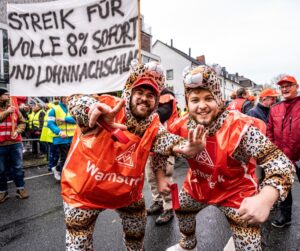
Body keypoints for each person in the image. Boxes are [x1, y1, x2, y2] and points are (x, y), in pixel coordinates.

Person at [61, 61, 206, 251]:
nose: (144, 98)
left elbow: (164, 140)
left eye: (150, 95)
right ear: (129, 93)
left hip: (127, 192)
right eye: (140, 93)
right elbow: (75, 100)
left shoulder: (153, 124)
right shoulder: (109, 106)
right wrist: (91, 110)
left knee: (138, 233)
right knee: (78, 244)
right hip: (82, 194)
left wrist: (185, 147)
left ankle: (158, 220)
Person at [156, 65, 294, 251]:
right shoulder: (182, 124)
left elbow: (281, 163)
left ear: (219, 99)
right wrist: (165, 169)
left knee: (249, 247)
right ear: (187, 103)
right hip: (198, 187)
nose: (201, 105)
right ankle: (187, 245)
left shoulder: (240, 127)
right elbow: (156, 140)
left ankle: (239, 242)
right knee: (182, 209)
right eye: (195, 99)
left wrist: (265, 198)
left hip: (236, 194)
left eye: (208, 98)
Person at [267, 75, 300, 228]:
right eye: (282, 87)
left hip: (299, 156)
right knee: (284, 189)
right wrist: (274, 153)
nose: (285, 89)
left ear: (296, 87)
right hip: (281, 157)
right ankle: (285, 216)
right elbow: (270, 133)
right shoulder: (275, 108)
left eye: (289, 85)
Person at [146, 88, 179, 225]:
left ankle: (170, 207)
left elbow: (162, 114)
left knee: (165, 179)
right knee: (151, 177)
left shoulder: (167, 96)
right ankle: (158, 202)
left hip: (164, 146)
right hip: (150, 147)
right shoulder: (151, 95)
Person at [0, 87, 29, 203]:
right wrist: (7, 112)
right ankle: (3, 191)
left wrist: (17, 131)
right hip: (1, 145)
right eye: (6, 94)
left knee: (18, 168)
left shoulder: (15, 108)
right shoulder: (9, 110)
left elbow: (22, 122)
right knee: (1, 170)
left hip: (15, 143)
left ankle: (20, 189)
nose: (8, 96)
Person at [47, 97, 76, 181]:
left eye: (70, 97)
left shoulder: (74, 107)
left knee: (72, 158)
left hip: (73, 137)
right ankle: (65, 179)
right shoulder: (54, 109)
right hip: (61, 138)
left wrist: (64, 119)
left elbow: (77, 119)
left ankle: (57, 168)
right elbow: (50, 123)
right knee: (65, 157)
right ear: (62, 99)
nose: (69, 99)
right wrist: (59, 132)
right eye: (67, 97)